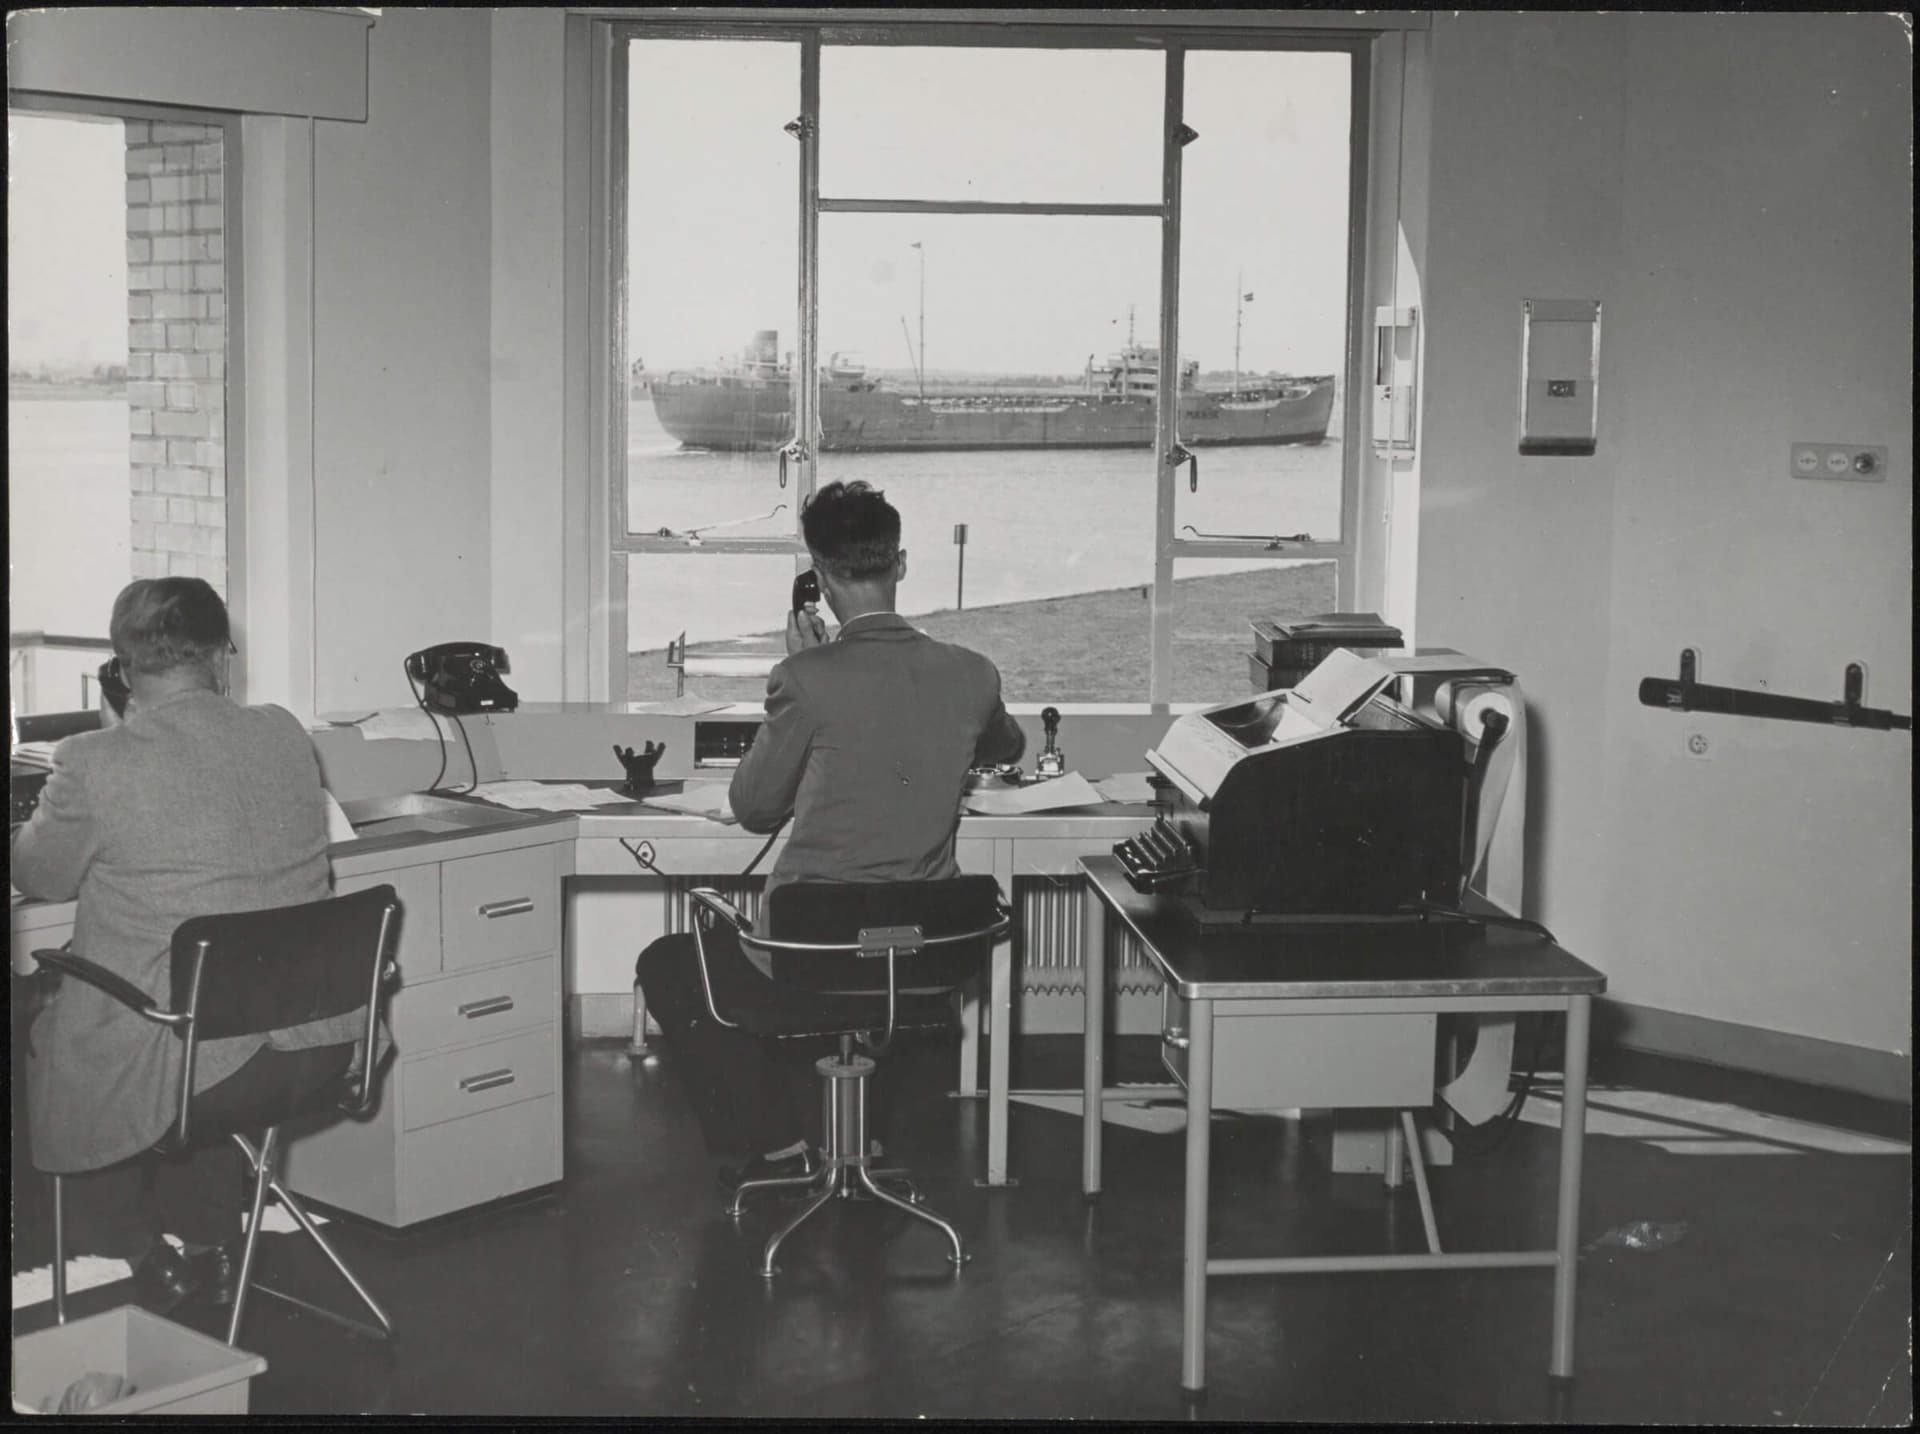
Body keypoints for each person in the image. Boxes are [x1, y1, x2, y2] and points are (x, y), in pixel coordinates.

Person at [639, 480, 1025, 1186]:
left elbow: (754, 808)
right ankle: (854, 1137)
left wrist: (803, 667)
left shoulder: (803, 678)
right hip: (921, 954)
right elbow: (1005, 750)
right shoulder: (973, 673)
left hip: (810, 949)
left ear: (815, 577)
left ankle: (775, 1142)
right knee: (849, 985)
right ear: (900, 563)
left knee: (667, 961)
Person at [12, 577, 371, 1313]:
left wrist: (118, 727)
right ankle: (207, 1241)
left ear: (120, 667)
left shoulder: (93, 758)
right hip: (315, 1045)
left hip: (193, 1067)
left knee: (47, 1021)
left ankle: (139, 1251)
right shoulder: (281, 732)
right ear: (223, 655)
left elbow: (41, 877)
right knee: (205, 1017)